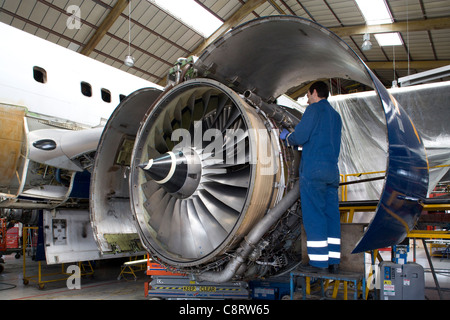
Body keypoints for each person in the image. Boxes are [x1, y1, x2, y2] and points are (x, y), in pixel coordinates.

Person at [280, 81, 342, 273]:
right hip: (331, 171)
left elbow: (300, 137)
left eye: (307, 94)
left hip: (313, 170)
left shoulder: (314, 110)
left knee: (314, 216)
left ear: (315, 92)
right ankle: (333, 261)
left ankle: (319, 263)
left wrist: (286, 137)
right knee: (331, 215)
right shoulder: (336, 116)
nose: (307, 99)